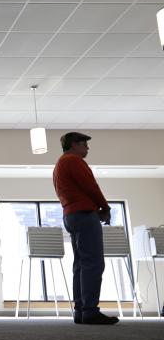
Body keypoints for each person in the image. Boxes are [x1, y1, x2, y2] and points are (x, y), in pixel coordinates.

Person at [53, 132, 118, 325]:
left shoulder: (59, 165)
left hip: (70, 214)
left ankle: (81, 310)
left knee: (80, 264)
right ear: (74, 145)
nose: (87, 148)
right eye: (84, 144)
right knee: (93, 263)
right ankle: (90, 310)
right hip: (84, 214)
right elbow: (91, 186)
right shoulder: (74, 161)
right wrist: (104, 207)